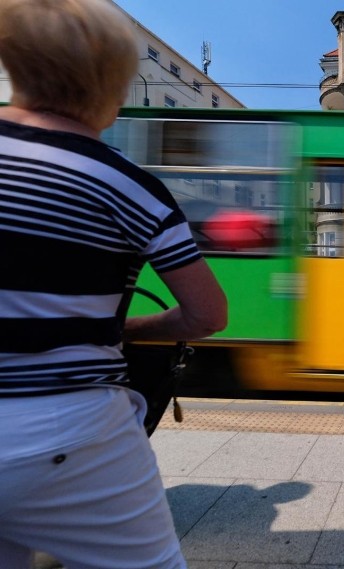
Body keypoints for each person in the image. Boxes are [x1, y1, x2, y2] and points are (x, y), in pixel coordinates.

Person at [0, 1, 227, 568]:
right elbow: (205, 314)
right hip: (69, 432)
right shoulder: (126, 183)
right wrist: (124, 327)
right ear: (113, 85)